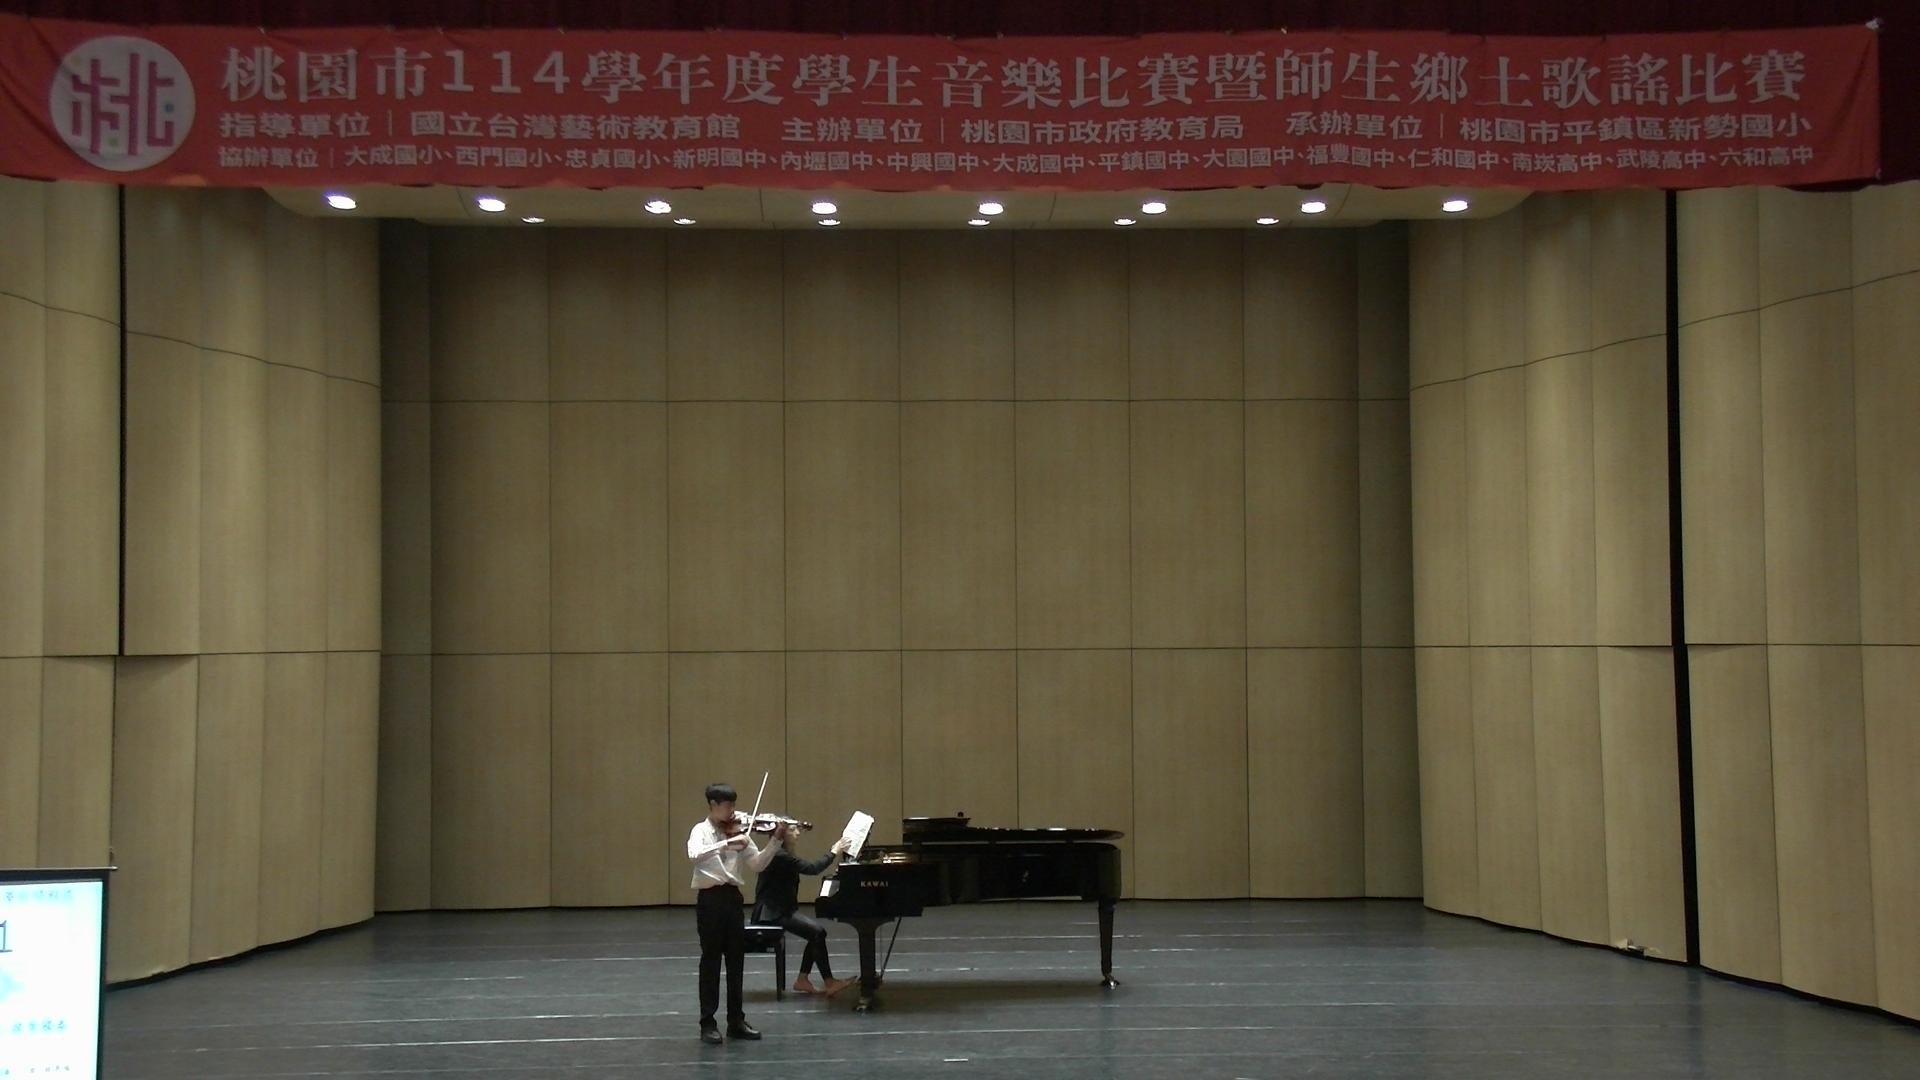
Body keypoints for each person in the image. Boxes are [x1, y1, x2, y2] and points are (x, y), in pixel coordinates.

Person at [687, 782, 778, 1045]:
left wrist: (776, 840)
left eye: (734, 805)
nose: (732, 811)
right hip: (710, 900)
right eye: (727, 805)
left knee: (736, 961)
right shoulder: (701, 830)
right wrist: (726, 844)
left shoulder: (739, 832)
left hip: (732, 899)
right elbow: (694, 855)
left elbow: (757, 864)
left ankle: (736, 1021)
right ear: (713, 805)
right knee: (711, 960)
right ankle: (707, 1023)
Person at [752, 826, 857, 997]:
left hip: (780, 909)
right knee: (817, 933)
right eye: (793, 830)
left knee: (816, 933)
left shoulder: (782, 853)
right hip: (771, 913)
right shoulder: (779, 855)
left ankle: (803, 980)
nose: (798, 833)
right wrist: (834, 852)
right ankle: (828, 982)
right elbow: (812, 868)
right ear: (782, 834)